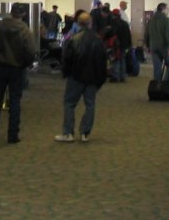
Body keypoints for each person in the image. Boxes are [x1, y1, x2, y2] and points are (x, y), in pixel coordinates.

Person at [0, 2, 37, 144]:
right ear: (23, 14)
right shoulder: (25, 30)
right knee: (15, 102)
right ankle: (12, 135)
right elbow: (31, 51)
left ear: (11, 12)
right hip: (17, 69)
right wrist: (26, 64)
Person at [54, 12, 107, 143]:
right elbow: (102, 61)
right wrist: (101, 79)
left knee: (69, 103)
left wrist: (65, 73)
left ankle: (68, 133)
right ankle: (85, 133)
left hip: (76, 76)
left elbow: (67, 58)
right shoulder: (98, 40)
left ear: (78, 23)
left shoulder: (73, 39)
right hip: (93, 77)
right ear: (91, 23)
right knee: (90, 104)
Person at [145, 2, 169, 82]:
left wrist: (147, 46)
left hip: (153, 47)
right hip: (164, 47)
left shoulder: (150, 20)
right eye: (167, 9)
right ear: (163, 9)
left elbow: (146, 34)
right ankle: (166, 83)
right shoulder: (166, 20)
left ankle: (157, 85)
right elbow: (168, 34)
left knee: (157, 67)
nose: (168, 11)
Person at [108, 8, 132, 83]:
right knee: (123, 60)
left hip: (115, 44)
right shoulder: (125, 23)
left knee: (115, 60)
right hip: (124, 45)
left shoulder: (112, 23)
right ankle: (123, 76)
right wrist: (129, 44)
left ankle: (116, 76)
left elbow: (111, 34)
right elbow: (129, 35)